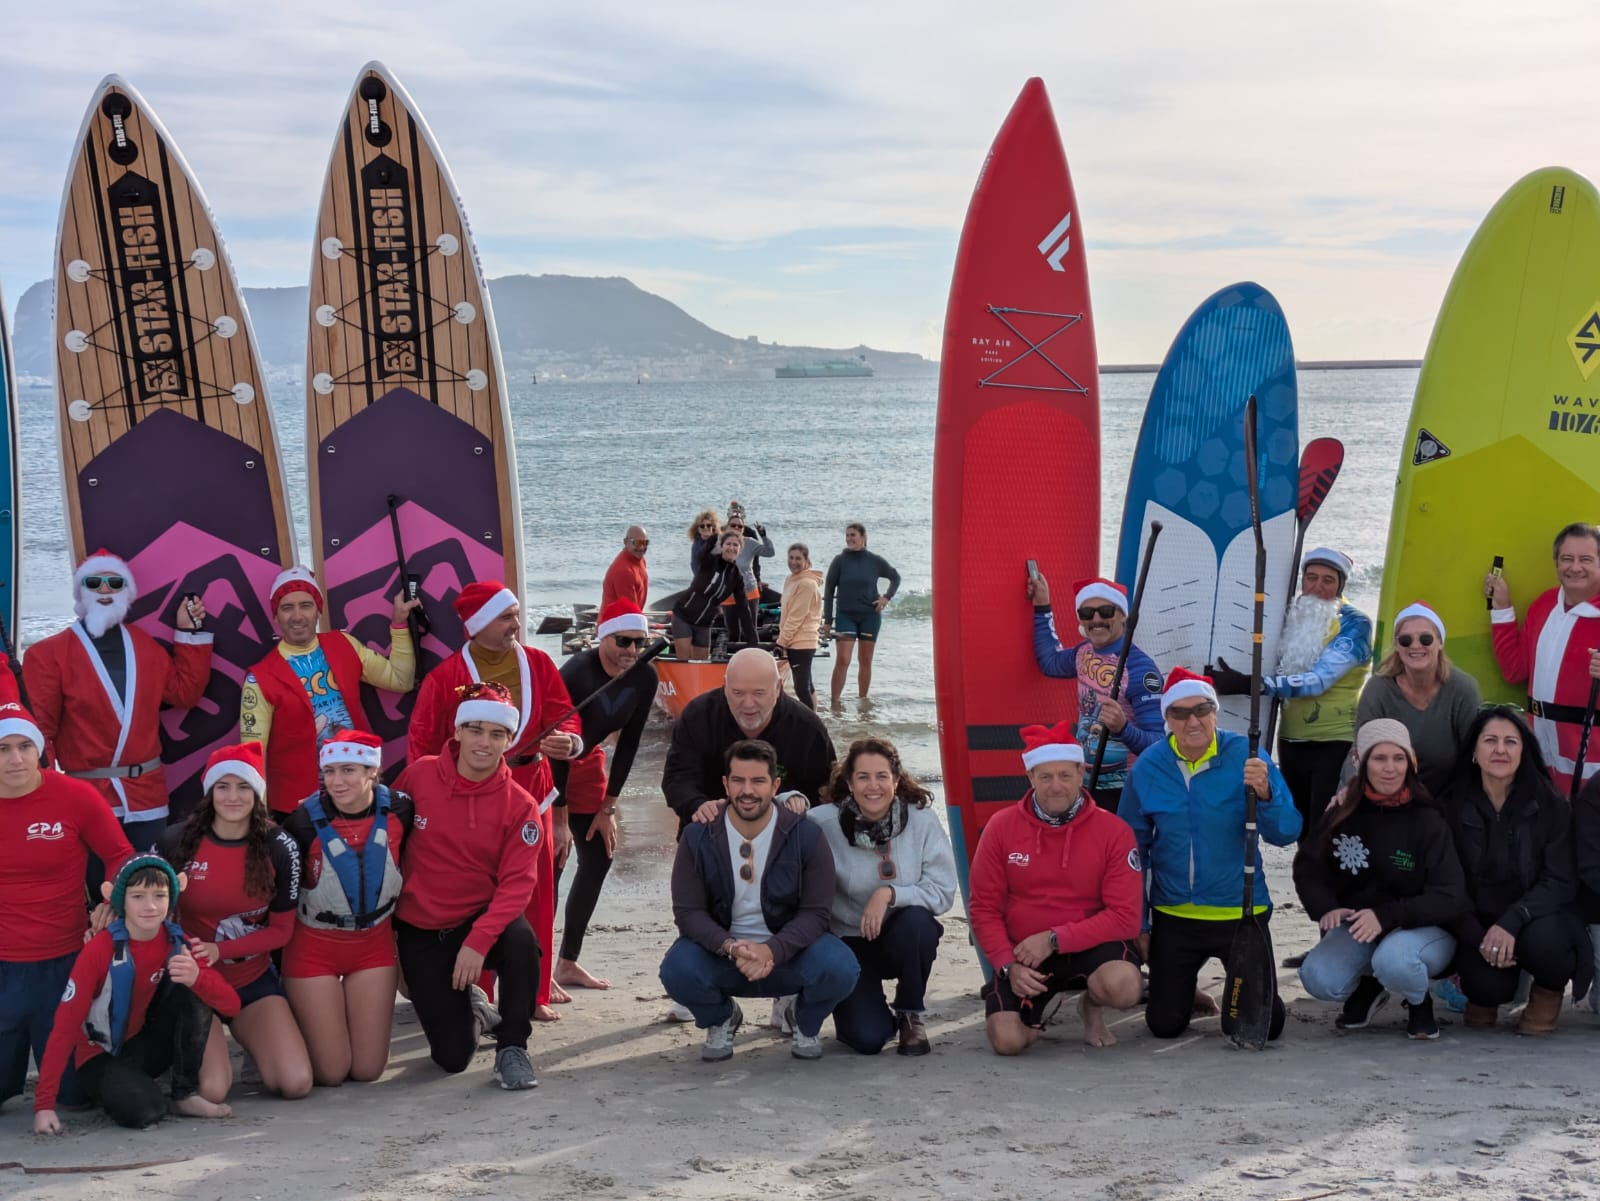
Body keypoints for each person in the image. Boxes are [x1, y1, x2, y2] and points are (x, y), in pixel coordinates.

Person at [408, 581, 582, 1020]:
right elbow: (422, 744)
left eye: (517, 615)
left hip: (533, 789)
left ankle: (533, 995)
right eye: (506, 617)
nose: (516, 624)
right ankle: (477, 995)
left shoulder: (539, 663)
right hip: (469, 798)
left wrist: (571, 744)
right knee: (478, 892)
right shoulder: (446, 676)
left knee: (538, 892)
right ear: (480, 622)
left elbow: (568, 716)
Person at [1120, 668, 1301, 1041]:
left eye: (1202, 709)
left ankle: (1241, 989)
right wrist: (1139, 922)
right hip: (1174, 914)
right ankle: (1184, 989)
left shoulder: (1248, 756)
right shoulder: (1148, 767)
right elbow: (1131, 851)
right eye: (1180, 713)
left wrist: (1267, 793)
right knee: (1165, 1025)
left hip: (1241, 911)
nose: (1193, 721)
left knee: (1263, 1027)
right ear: (1167, 718)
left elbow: (1286, 832)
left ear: (1215, 712)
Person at [659, 739, 858, 1061]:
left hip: (789, 955)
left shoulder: (805, 835)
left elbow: (816, 913)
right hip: (723, 955)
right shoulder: (698, 836)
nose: (747, 790)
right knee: (677, 970)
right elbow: (688, 912)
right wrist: (729, 945)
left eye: (758, 781)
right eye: (738, 780)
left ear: (775, 785)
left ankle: (803, 1020)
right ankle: (722, 1018)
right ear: (725, 783)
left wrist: (771, 949)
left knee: (840, 967)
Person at [395, 682, 544, 1089]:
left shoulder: (520, 805)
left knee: (520, 941)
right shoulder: (417, 776)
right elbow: (385, 846)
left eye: (497, 734)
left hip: (477, 923)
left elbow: (517, 887)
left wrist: (477, 942)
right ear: (457, 731)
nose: (484, 742)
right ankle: (477, 1010)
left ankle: (513, 1046)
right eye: (476, 730)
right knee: (452, 1058)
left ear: (510, 741)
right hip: (420, 928)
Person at [970, 722, 1144, 1054]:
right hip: (1026, 954)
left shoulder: (1114, 830)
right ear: (1030, 777)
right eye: (1045, 776)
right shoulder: (1000, 827)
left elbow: (1126, 918)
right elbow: (983, 908)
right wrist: (1008, 964)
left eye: (1065, 775)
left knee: (1123, 988)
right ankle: (1040, 1009)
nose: (1056, 786)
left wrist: (1054, 939)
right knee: (1008, 1043)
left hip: (1089, 945)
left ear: (1081, 773)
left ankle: (1091, 1006)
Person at [32, 854, 237, 1133]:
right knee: (146, 1112)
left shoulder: (178, 942)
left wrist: (198, 978)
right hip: (99, 1055)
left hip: (142, 1047)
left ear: (172, 897)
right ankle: (130, 1087)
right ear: (120, 900)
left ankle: (184, 1093)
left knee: (193, 985)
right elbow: (65, 1026)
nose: (150, 906)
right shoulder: (100, 949)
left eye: (159, 895)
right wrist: (44, 1106)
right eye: (138, 896)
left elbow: (231, 1006)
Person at [23, 550, 212, 846]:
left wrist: (189, 633)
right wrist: (46, 793)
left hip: (148, 798)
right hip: (85, 796)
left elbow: (185, 693)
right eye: (94, 582)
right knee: (97, 889)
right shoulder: (46, 655)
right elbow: (39, 734)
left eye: (115, 583)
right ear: (80, 591)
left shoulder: (144, 646)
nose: (104, 590)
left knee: (148, 886)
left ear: (127, 592)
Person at [0, 700, 133, 1115]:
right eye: (3, 748)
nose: (16, 758)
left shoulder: (75, 796)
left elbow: (121, 855)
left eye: (25, 746)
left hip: (63, 965)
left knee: (76, 1099)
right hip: (3, 966)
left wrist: (113, 898)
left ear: (40, 750)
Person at [1294, 720, 1466, 1040]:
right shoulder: (1342, 811)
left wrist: (1388, 915)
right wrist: (1326, 906)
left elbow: (1451, 896)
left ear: (1410, 762)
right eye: (1379, 758)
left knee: (1396, 960)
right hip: (1361, 927)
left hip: (1423, 928)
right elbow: (1308, 867)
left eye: (1398, 758)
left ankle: (1418, 1001)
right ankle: (1370, 986)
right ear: (1361, 761)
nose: (1389, 768)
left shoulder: (1428, 817)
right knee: (1319, 978)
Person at [162, 743, 313, 1100]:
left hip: (252, 982)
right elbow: (144, 906)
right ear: (209, 792)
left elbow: (281, 931)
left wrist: (220, 949)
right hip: (197, 984)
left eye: (243, 786)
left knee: (295, 1083)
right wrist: (108, 902)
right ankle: (175, 1045)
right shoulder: (176, 841)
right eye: (223, 787)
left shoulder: (280, 846)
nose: (233, 796)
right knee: (212, 1090)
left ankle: (254, 1045)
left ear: (258, 793)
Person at [1441, 705, 1590, 1034]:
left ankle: (1547, 993)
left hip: (1537, 916)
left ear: (1524, 750)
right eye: (1490, 740)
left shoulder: (1550, 804)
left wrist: (1513, 919)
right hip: (1477, 921)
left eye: (1510, 742)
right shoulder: (1450, 806)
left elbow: (1561, 880)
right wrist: (1479, 936)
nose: (1500, 750)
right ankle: (1485, 994)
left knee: (1547, 945)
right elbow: (1445, 883)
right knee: (1485, 987)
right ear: (1474, 751)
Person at [807, 737, 956, 1055]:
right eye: (863, 777)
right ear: (849, 782)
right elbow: (775, 824)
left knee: (919, 922)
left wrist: (889, 894)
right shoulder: (822, 822)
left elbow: (942, 892)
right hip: (847, 944)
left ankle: (910, 1012)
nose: (872, 786)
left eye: (881, 776)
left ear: (896, 780)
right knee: (866, 1039)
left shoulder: (921, 820)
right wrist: (791, 797)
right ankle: (869, 1011)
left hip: (900, 938)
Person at [1211, 547, 1372, 841]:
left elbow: (1318, 681)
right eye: (1311, 578)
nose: (1318, 587)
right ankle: (1307, 887)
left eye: (1328, 580)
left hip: (1335, 742)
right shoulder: (1293, 617)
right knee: (1301, 832)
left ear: (1340, 586)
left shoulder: (1355, 624)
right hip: (1291, 740)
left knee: (1329, 830)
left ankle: (1330, 887)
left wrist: (1251, 684)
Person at [279, 730, 412, 1086]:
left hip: (374, 945)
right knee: (332, 1072)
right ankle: (287, 1038)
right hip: (313, 947)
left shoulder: (401, 808)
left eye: (348, 770)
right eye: (330, 771)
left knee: (368, 1071)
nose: (336, 782)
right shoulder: (301, 823)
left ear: (373, 772)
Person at [240, 566, 419, 817]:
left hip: (360, 791)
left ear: (318, 610)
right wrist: (258, 819)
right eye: (287, 607)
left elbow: (400, 680)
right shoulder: (258, 678)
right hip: (299, 807)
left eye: (306, 605)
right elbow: (252, 755)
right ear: (276, 616)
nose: (297, 616)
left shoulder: (344, 644)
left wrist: (399, 624)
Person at [551, 601, 659, 992]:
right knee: (554, 863)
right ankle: (535, 971)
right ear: (602, 636)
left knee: (598, 856)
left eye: (638, 641)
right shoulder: (578, 672)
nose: (630, 650)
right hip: (552, 766)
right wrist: (559, 821)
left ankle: (567, 963)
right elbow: (557, 748)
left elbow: (629, 744)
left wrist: (608, 806)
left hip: (590, 762)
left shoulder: (644, 677)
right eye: (622, 641)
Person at [1026, 572, 1165, 807]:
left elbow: (1161, 744)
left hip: (1126, 790)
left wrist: (1123, 728)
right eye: (1087, 613)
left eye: (1106, 611)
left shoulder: (1140, 669)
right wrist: (1043, 607)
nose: (1096, 619)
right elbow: (1050, 663)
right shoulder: (1084, 653)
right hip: (1085, 783)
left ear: (1123, 616)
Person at [663, 647, 837, 831]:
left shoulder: (807, 728)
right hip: (709, 827)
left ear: (778, 688)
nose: (748, 704)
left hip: (783, 833)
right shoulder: (697, 716)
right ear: (725, 685)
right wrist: (697, 805)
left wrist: (800, 802)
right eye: (737, 693)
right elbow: (677, 778)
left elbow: (828, 791)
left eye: (758, 693)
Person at [1487, 521, 1600, 796]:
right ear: (1556, 563)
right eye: (1567, 559)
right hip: (1540, 759)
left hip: (1592, 770)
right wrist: (1501, 609)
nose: (1575, 567)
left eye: (1586, 559)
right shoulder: (1544, 605)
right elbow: (1514, 671)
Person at [1354, 601, 1480, 796]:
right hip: (1386, 796)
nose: (1415, 645)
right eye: (1406, 640)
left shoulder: (1463, 690)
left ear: (1440, 642)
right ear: (1397, 645)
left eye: (1425, 639)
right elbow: (1361, 752)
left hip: (1448, 797)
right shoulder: (1377, 690)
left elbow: (1474, 757)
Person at [823, 522, 900, 706]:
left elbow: (895, 577)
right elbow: (828, 590)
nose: (849, 539)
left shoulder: (874, 560)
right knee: (843, 659)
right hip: (845, 616)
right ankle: (835, 703)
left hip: (870, 616)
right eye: (847, 535)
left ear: (863, 537)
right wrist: (828, 620)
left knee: (865, 660)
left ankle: (863, 703)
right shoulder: (839, 560)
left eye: (853, 535)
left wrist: (886, 598)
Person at [671, 529, 746, 661]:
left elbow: (744, 609)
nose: (731, 548)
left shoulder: (736, 577)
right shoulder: (709, 561)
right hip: (683, 616)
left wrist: (753, 642)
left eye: (735, 545)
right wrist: (717, 532)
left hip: (704, 624)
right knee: (683, 662)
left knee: (702, 664)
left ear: (740, 550)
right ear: (721, 546)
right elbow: (704, 550)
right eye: (728, 544)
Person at [776, 544, 824, 710]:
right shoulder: (790, 579)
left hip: (802, 641)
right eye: (791, 558)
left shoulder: (807, 584)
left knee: (801, 688)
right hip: (793, 640)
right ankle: (815, 717)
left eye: (798, 558)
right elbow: (786, 612)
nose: (794, 562)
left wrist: (781, 642)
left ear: (807, 561)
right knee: (807, 685)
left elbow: (796, 616)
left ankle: (810, 725)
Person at [725, 505, 774, 638]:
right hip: (728, 593)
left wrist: (763, 535)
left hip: (749, 591)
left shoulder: (750, 543)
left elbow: (770, 552)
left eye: (739, 527)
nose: (736, 528)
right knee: (732, 631)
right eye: (733, 525)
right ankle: (734, 656)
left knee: (750, 630)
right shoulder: (720, 543)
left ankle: (754, 655)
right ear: (727, 526)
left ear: (743, 528)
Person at [600, 525, 650, 612]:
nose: (641, 547)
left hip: (627, 617)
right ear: (625, 542)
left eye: (645, 543)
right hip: (614, 623)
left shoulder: (640, 559)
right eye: (637, 542)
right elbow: (630, 611)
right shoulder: (624, 571)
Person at [687, 509, 723, 575]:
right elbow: (695, 566)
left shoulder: (720, 541)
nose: (705, 528)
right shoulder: (696, 545)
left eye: (708, 525)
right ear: (698, 529)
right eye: (702, 526)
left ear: (713, 527)